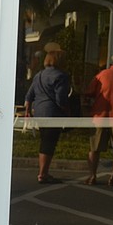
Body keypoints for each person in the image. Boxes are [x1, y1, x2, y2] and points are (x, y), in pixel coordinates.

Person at [24, 49, 70, 183]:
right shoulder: (61, 76)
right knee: (49, 143)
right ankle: (43, 173)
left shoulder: (39, 75)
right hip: (53, 113)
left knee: (45, 141)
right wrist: (66, 110)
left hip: (39, 112)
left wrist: (28, 109)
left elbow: (29, 95)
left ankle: (43, 171)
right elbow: (61, 98)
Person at [85, 53, 113, 185]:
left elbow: (89, 93)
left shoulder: (102, 75)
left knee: (94, 147)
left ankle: (92, 175)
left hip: (100, 115)